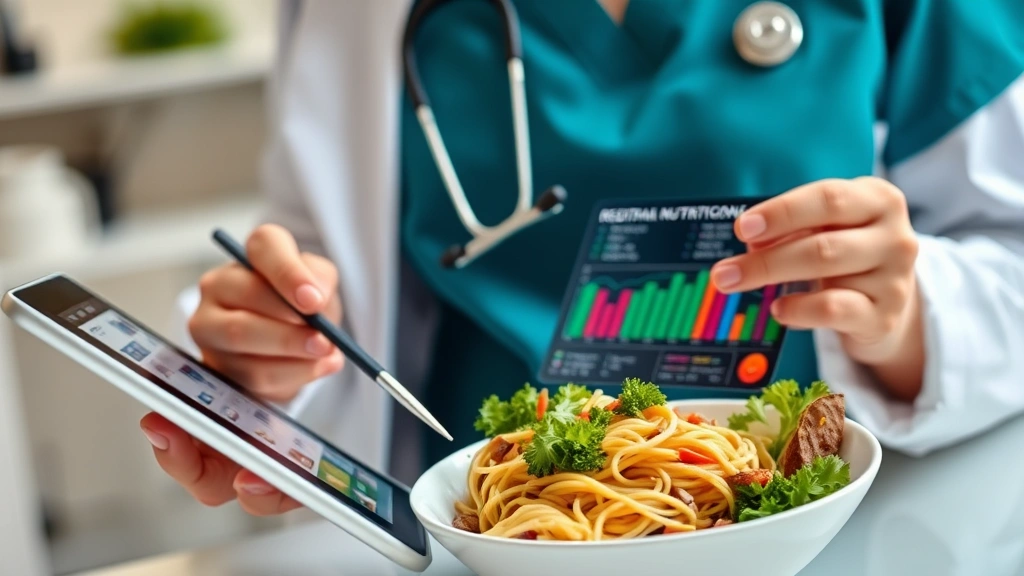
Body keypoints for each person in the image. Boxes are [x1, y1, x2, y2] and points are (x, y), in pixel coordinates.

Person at [138, 0, 1024, 530]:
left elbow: (1010, 257)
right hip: (491, 529)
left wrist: (909, 322)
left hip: (833, 533)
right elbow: (319, 255)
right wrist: (275, 359)